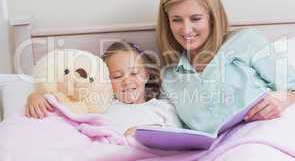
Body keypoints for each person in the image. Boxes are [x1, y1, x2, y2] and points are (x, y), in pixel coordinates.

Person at [156, 0, 295, 131]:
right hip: (209, 153)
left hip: (258, 140)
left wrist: (284, 100)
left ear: (212, 16)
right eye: (176, 20)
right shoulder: (169, 78)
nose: (186, 29)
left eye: (196, 18)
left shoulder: (246, 42)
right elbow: (169, 126)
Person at [25, 41, 182, 135]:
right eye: (117, 76)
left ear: (147, 75)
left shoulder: (162, 107)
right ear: (106, 81)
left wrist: (146, 132)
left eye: (134, 73)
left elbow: (179, 137)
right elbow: (65, 109)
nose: (127, 81)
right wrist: (38, 96)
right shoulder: (101, 106)